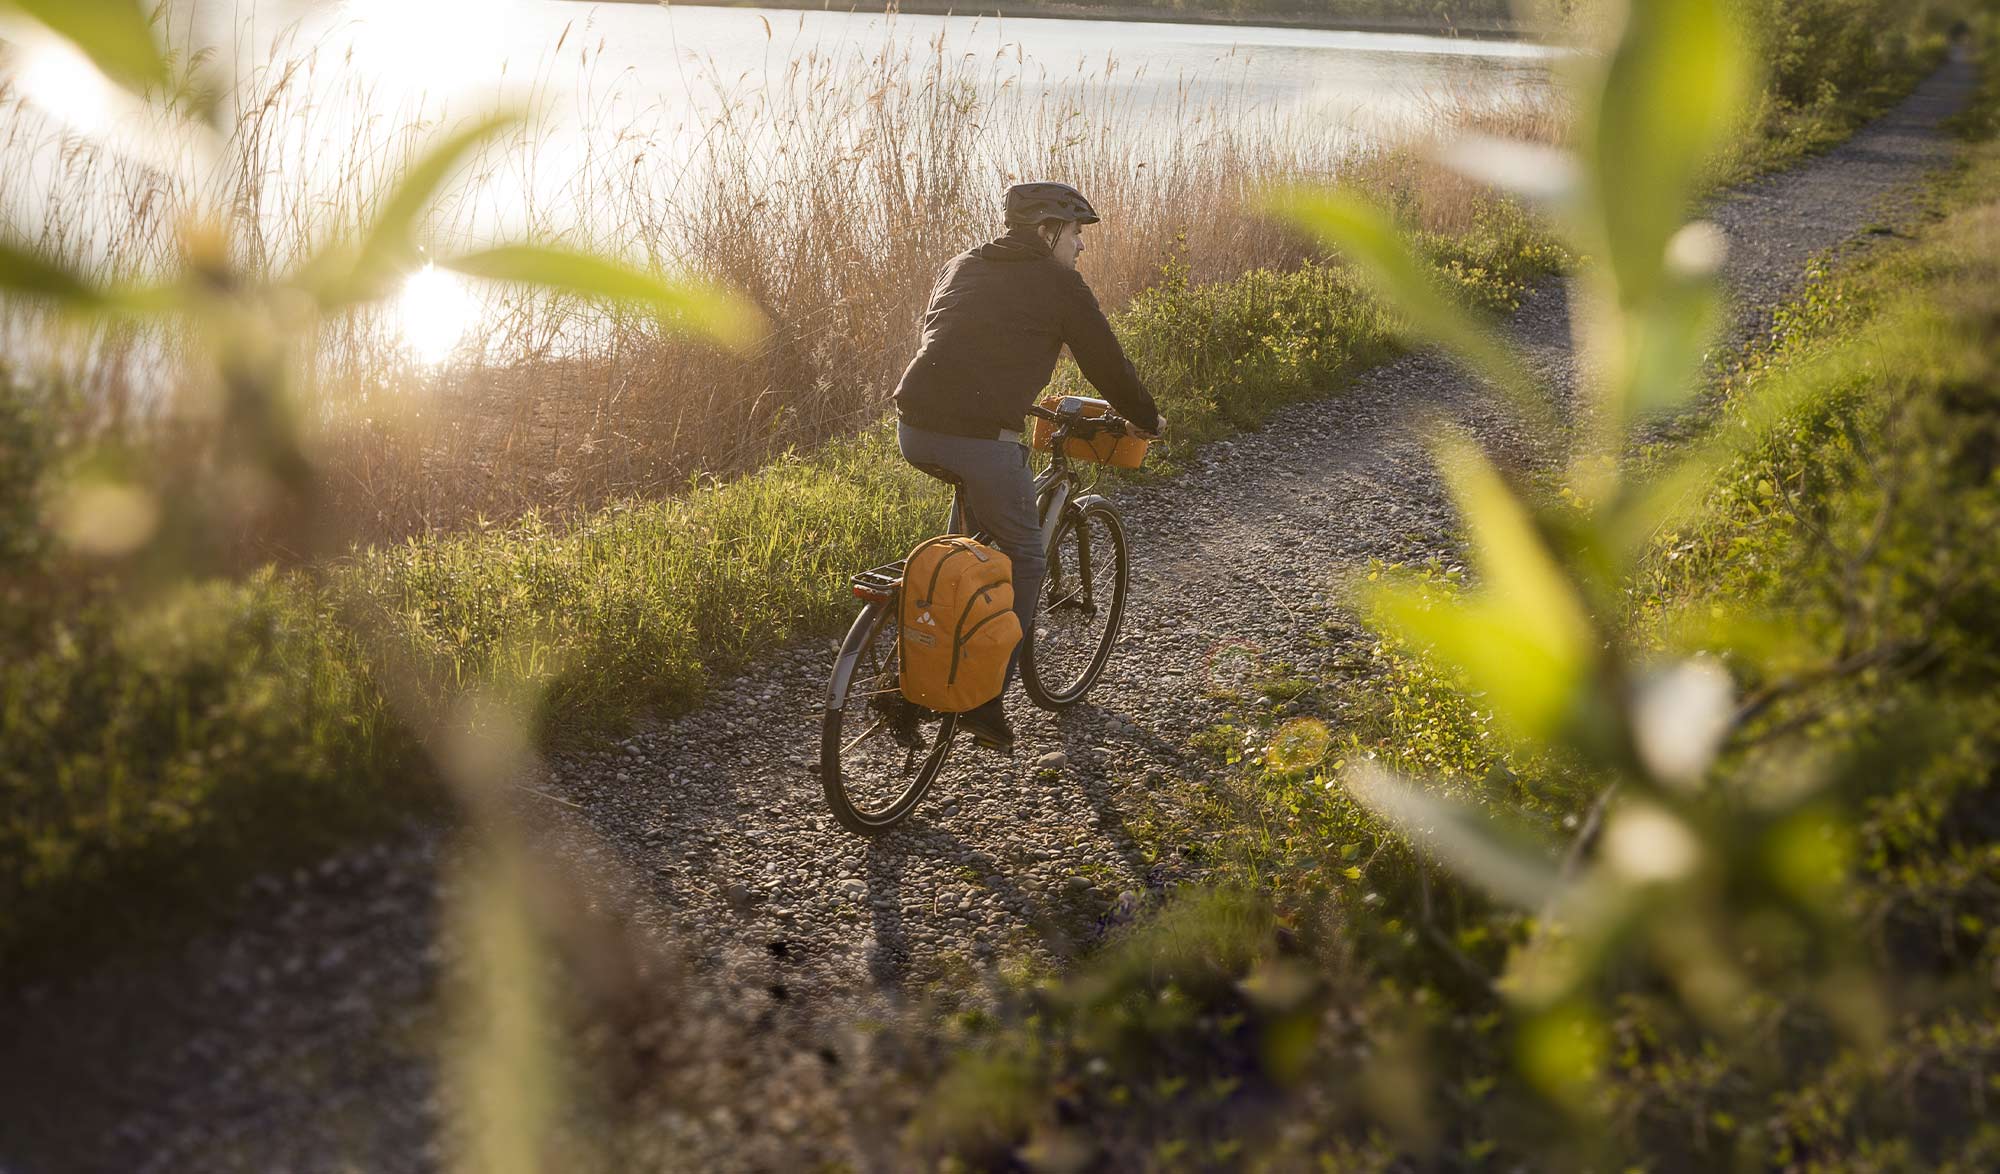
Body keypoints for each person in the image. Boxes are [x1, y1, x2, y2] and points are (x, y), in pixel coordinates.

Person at [893, 180, 1166, 754]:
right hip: (979, 441)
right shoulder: (1061, 284)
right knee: (1025, 556)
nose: (1080, 248)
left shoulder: (962, 262)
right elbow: (1106, 363)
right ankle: (988, 698)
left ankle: (917, 651)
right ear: (1048, 232)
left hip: (914, 428)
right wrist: (1146, 419)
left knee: (967, 544)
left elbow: (949, 335)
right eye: (1075, 235)